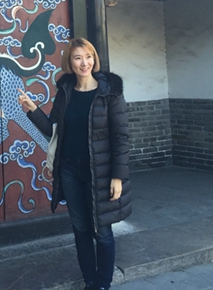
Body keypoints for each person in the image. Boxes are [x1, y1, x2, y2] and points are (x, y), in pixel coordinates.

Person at [18, 37, 131, 290]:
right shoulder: (66, 91)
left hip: (100, 172)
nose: (84, 63)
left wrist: (117, 177)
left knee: (102, 230)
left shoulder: (110, 92)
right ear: (70, 61)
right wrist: (32, 109)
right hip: (69, 169)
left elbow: (121, 137)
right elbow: (52, 128)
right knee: (80, 228)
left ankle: (103, 283)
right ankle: (90, 281)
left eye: (88, 56)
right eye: (78, 57)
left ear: (94, 59)